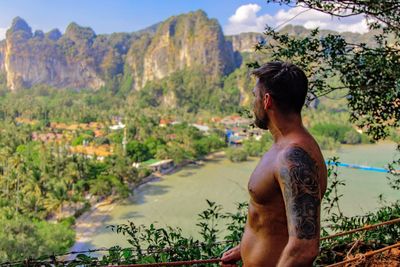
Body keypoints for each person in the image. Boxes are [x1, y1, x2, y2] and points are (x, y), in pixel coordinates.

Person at [221, 61, 327, 267]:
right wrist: (245, 249)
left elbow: (304, 248)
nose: (253, 104)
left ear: (267, 101)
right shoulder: (284, 147)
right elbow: (272, 220)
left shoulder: (293, 157)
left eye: (255, 96)